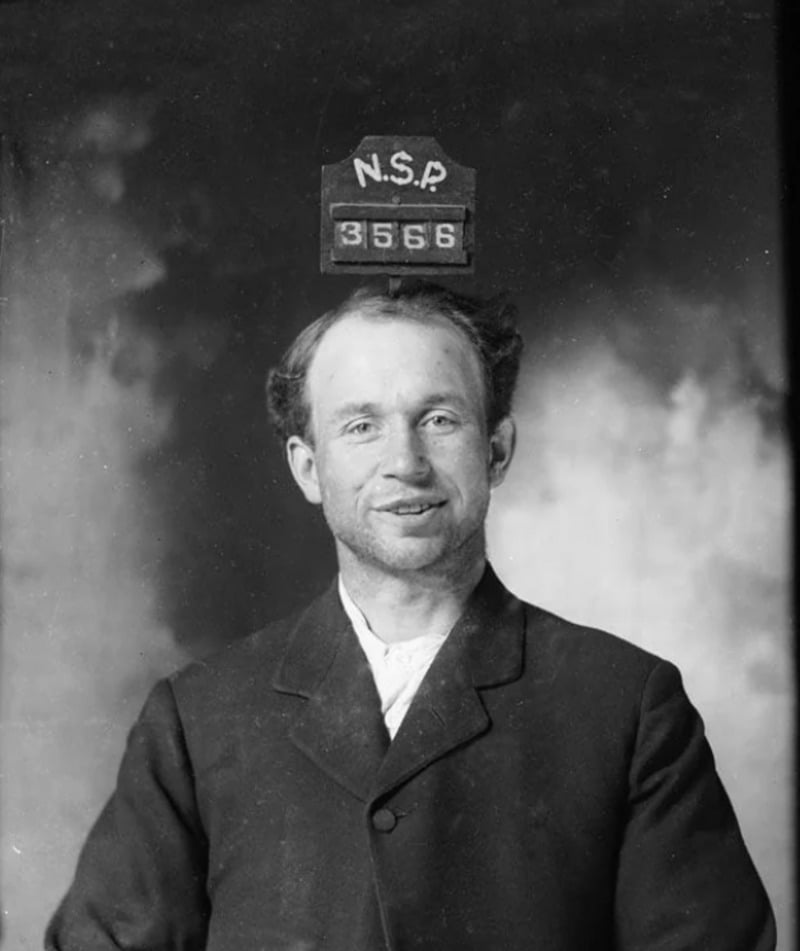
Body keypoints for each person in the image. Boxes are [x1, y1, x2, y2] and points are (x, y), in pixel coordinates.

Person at [46, 281, 776, 950]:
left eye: (438, 417)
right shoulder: (195, 718)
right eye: (361, 425)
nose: (406, 461)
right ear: (308, 466)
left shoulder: (630, 706)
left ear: (497, 449)